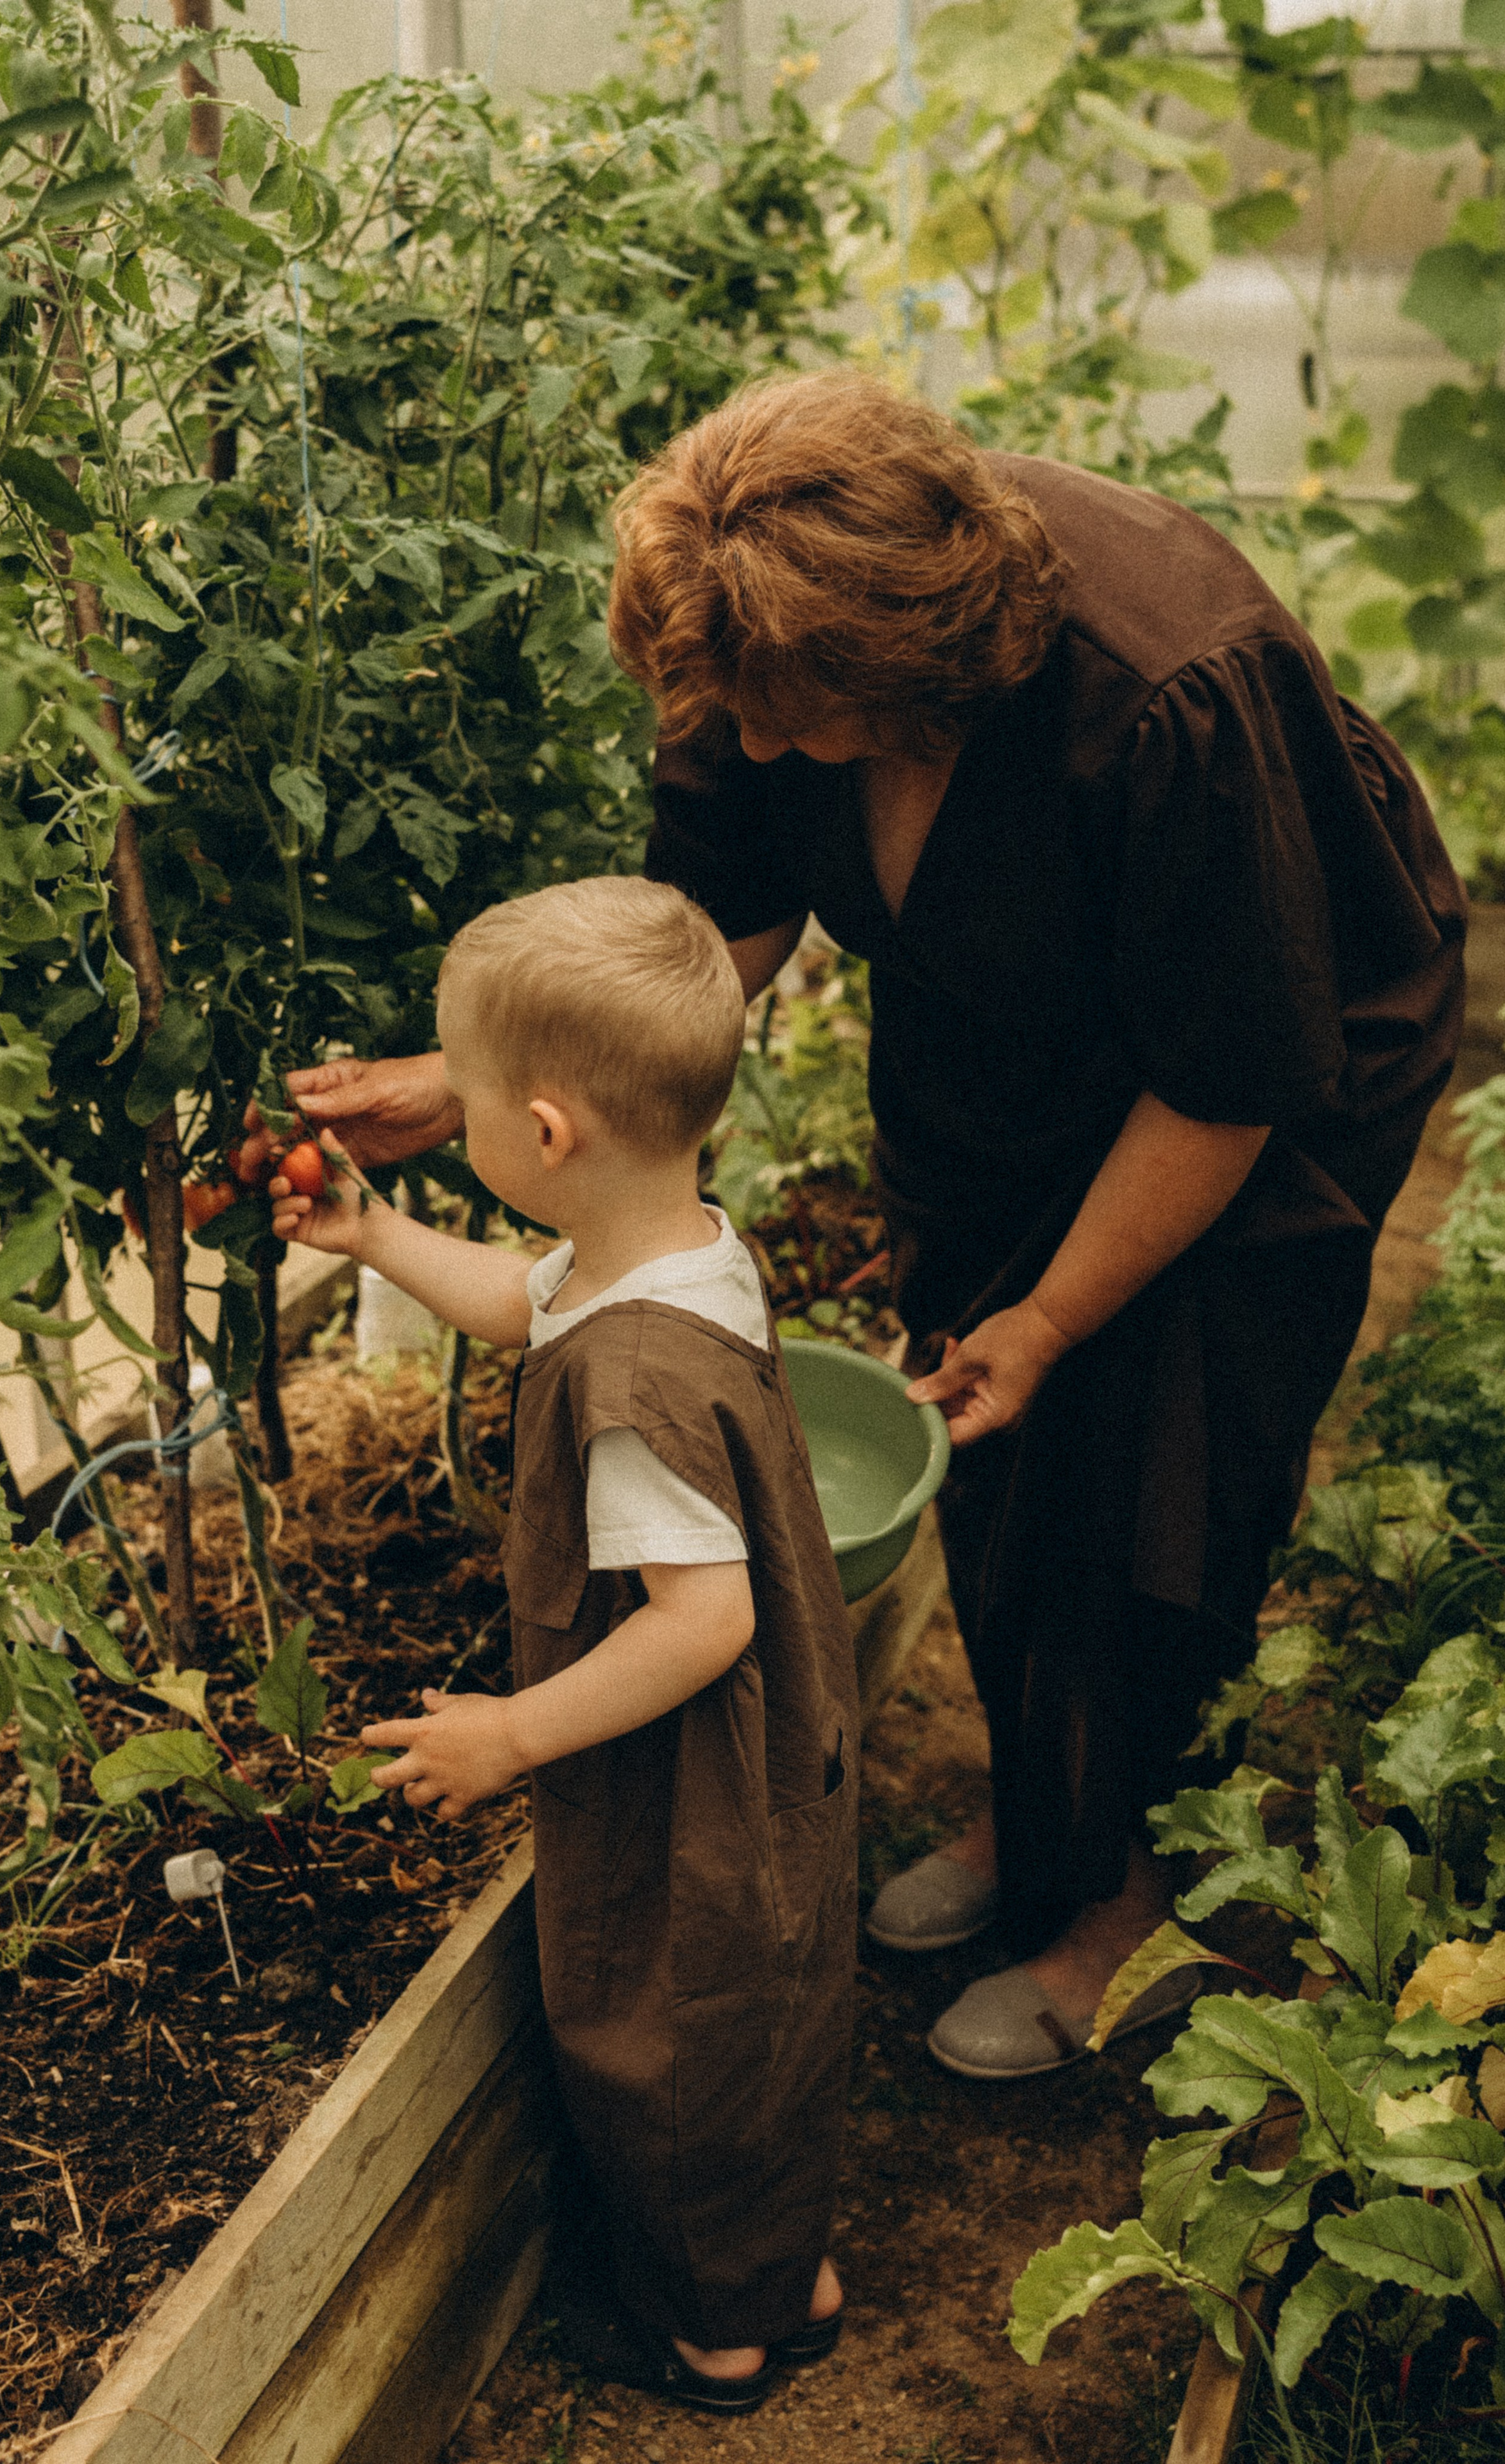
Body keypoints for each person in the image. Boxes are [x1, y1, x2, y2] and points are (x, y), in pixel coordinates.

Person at [250, 372, 1466, 2084]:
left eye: (778, 722)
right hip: (1017, 1011)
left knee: (1161, 1451)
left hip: (1268, 1049)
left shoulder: (1167, 692)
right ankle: (1034, 1818)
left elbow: (1226, 1083)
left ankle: (1115, 1908)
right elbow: (711, 946)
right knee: (964, 1393)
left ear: (910, 683)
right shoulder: (747, 648)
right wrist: (466, 1087)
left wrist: (1056, 1316)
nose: (744, 752)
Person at [268, 875, 857, 2413]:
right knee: (771, 2005)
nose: (449, 1119)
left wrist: (514, 1733)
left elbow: (704, 1620)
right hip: (775, 1755)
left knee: (673, 2034)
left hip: (689, 1780)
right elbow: (521, 1304)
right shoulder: (672, 1254)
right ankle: (790, 2270)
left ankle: (722, 2328)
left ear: (542, 1135)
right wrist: (376, 1231)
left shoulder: (628, 1388)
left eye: (459, 1099)